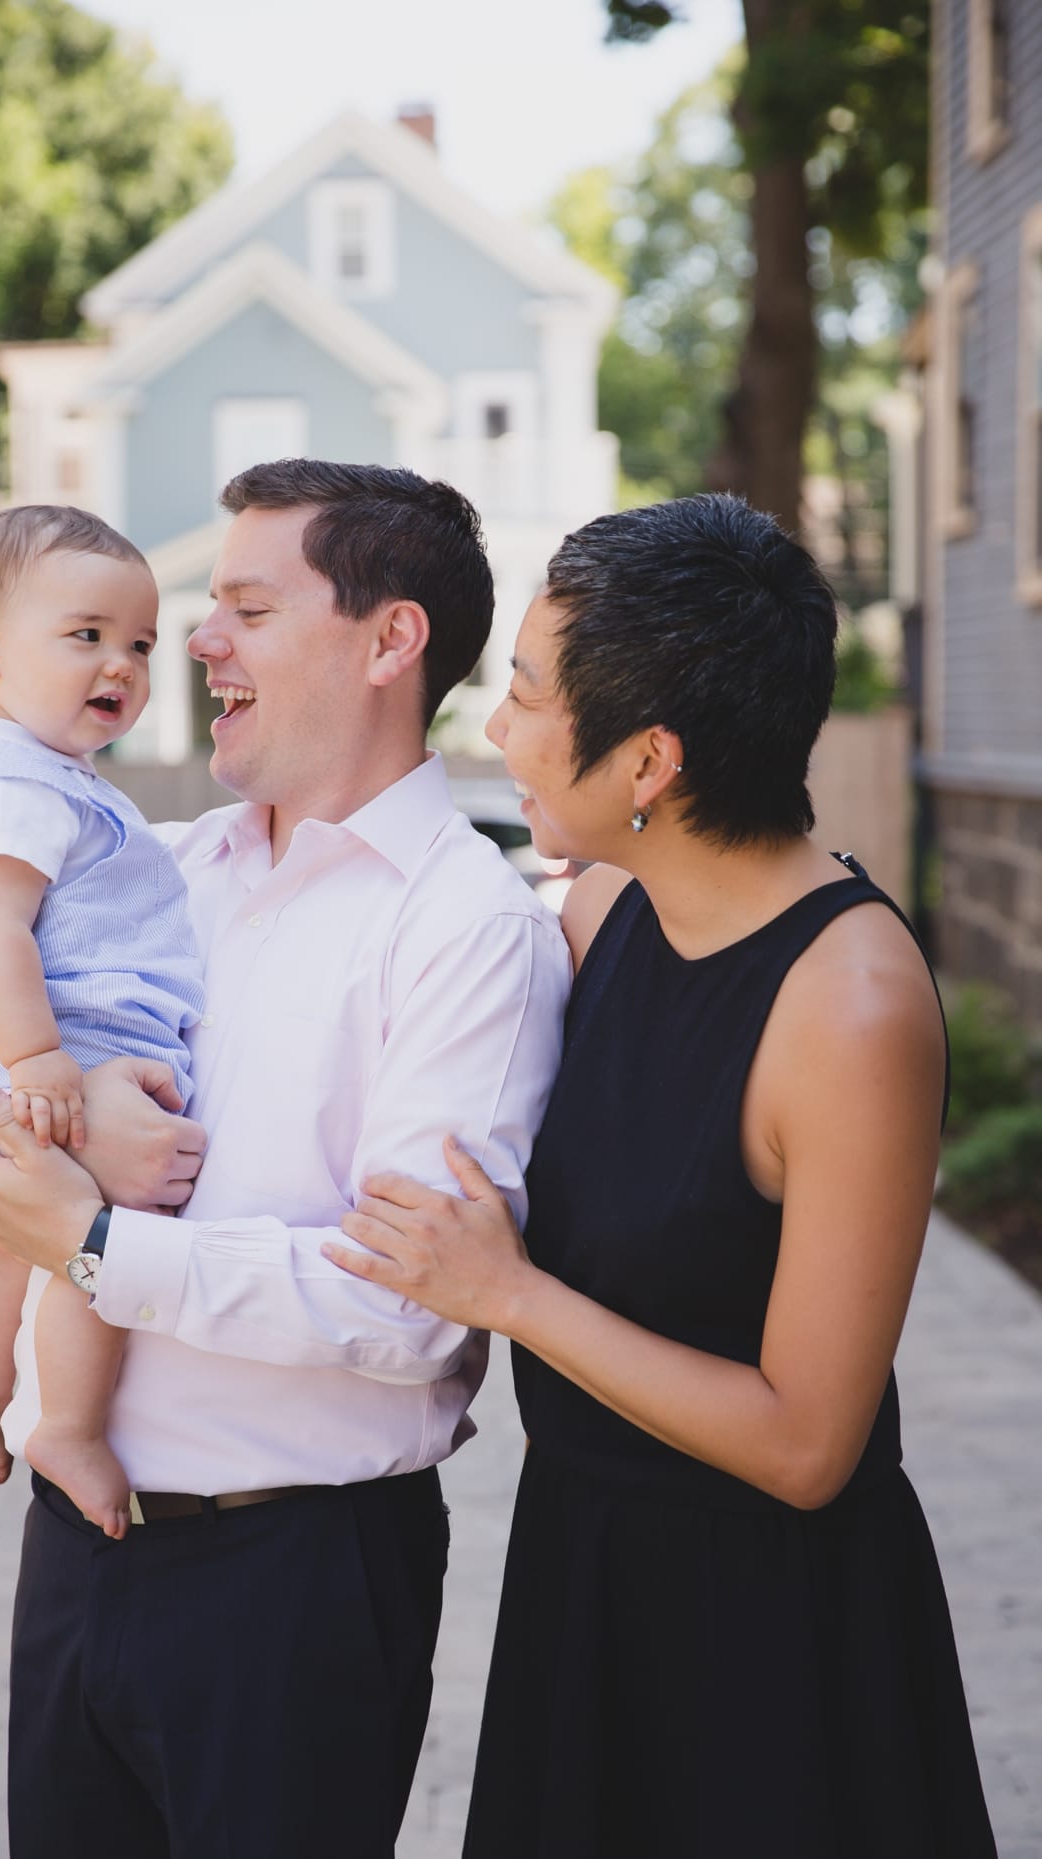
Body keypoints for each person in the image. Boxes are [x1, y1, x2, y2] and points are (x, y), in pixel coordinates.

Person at [0, 460, 570, 1859]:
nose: (192, 642)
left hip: (296, 1580)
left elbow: (409, 1305)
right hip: (78, 1545)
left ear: (389, 640)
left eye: (244, 606)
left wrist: (92, 1235)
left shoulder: (469, 928)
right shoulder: (147, 863)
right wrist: (49, 1129)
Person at [323, 494, 998, 1859]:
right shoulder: (599, 907)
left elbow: (810, 1445)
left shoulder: (853, 1007)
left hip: (769, 1641)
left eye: (521, 694)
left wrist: (509, 1294)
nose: (494, 730)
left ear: (648, 759)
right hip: (584, 1576)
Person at [0, 505, 204, 1541]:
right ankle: (66, 1423)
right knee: (99, 1246)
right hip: (58, 1060)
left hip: (61, 1060)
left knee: (12, 1240)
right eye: (85, 634)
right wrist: (42, 1061)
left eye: (140, 643)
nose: (119, 662)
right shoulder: (11, 782)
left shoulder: (47, 775)